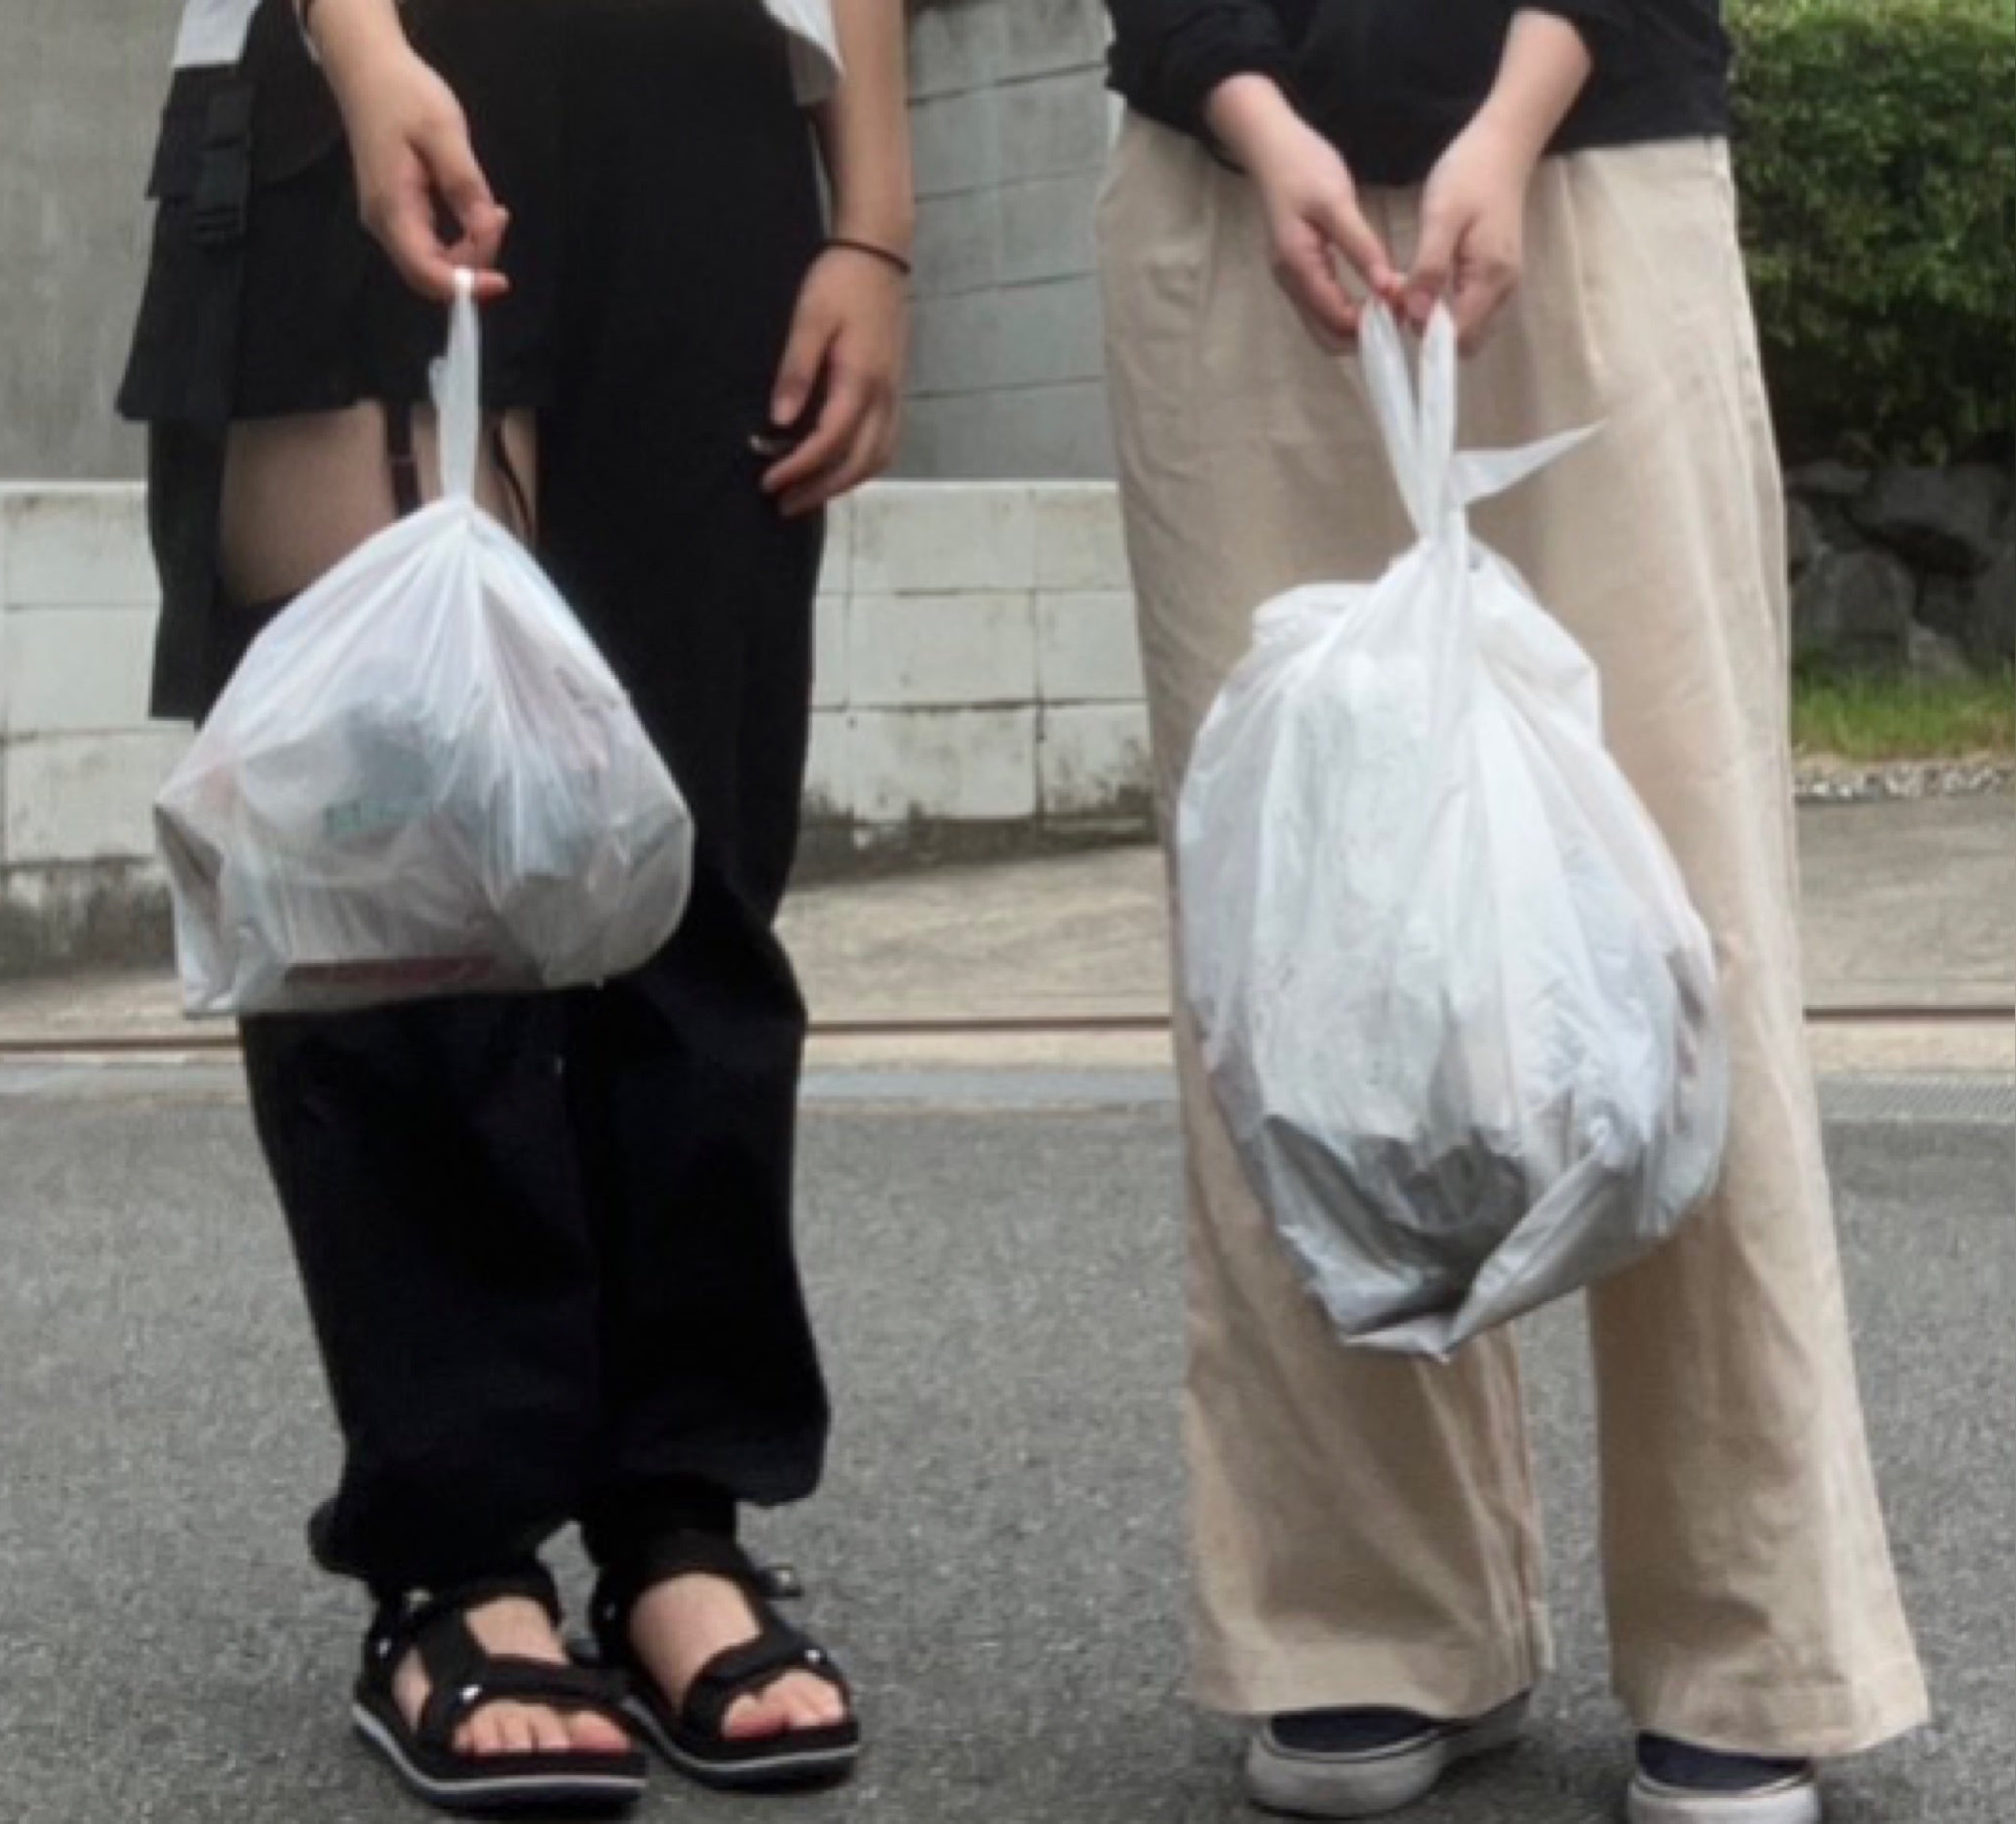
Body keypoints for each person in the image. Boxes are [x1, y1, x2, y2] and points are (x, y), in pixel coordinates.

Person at [1095, 3, 1929, 1820]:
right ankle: (1365, 1613)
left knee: (1682, 914)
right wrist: (1252, 111)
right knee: (1290, 941)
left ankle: (1748, 1632)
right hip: (1222, 188)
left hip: (1595, 155)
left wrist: (1513, 111)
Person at [117, 0, 911, 1811]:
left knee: (685, 853)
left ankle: (676, 1518)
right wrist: (363, 47)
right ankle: (456, 1554)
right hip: (377, 56)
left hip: (704, 107)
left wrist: (873, 220)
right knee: (396, 883)